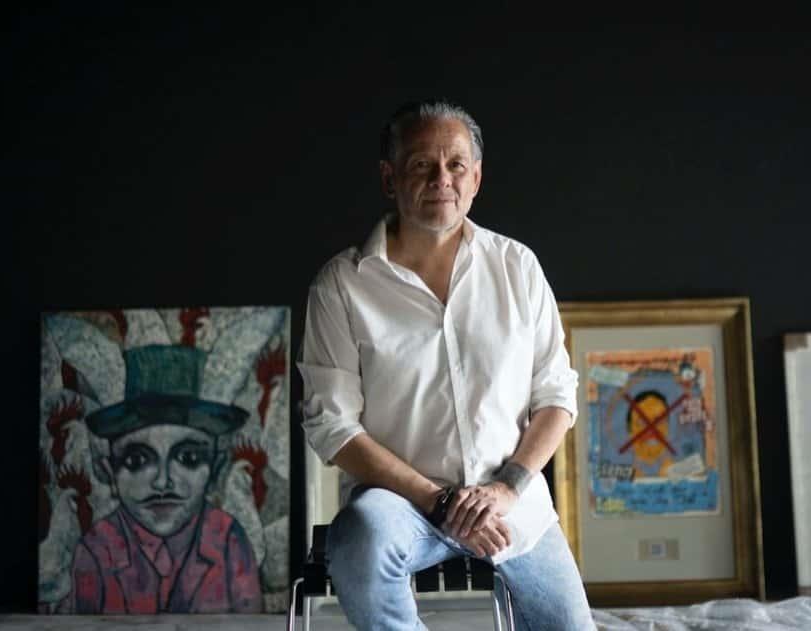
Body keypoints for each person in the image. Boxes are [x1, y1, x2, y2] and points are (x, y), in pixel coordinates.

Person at [298, 99, 595, 630]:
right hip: (399, 506)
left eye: (456, 164)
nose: (441, 179)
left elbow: (556, 396)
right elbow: (332, 426)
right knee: (359, 543)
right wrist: (438, 501)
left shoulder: (517, 267)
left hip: (509, 506)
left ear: (475, 178)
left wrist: (505, 489)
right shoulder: (342, 285)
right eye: (421, 165)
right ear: (389, 178)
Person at [65, 344, 262, 613]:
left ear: (215, 469)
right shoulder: (96, 549)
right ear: (110, 472)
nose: (162, 482)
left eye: (189, 458)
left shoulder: (229, 540)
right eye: (137, 461)